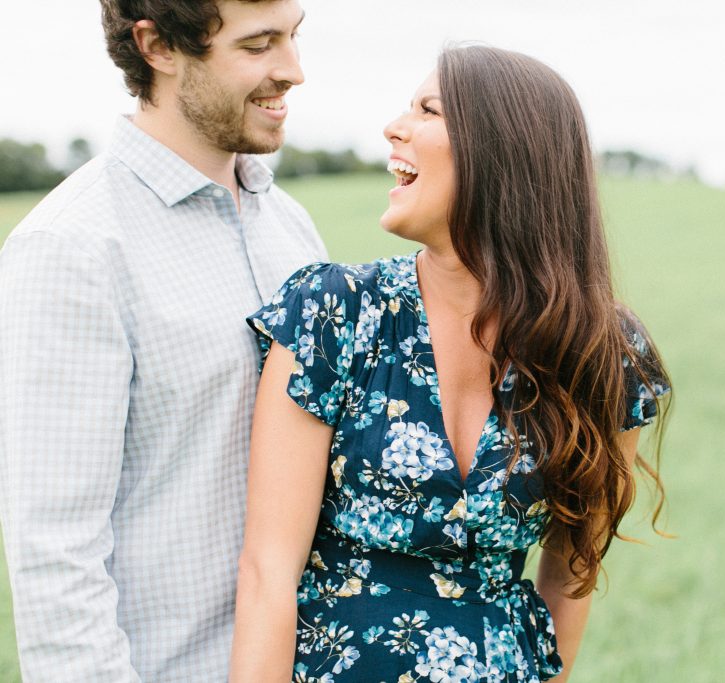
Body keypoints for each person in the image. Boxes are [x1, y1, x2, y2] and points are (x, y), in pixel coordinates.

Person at [230, 45, 671, 682]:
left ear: (504, 156)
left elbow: (573, 570)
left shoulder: (608, 357)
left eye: (429, 111)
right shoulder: (335, 315)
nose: (395, 127)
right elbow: (268, 571)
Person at [0, 1, 324, 680]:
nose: (292, 70)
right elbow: (56, 560)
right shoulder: (73, 247)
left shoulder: (291, 227)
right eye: (259, 45)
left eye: (293, 38)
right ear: (158, 46)